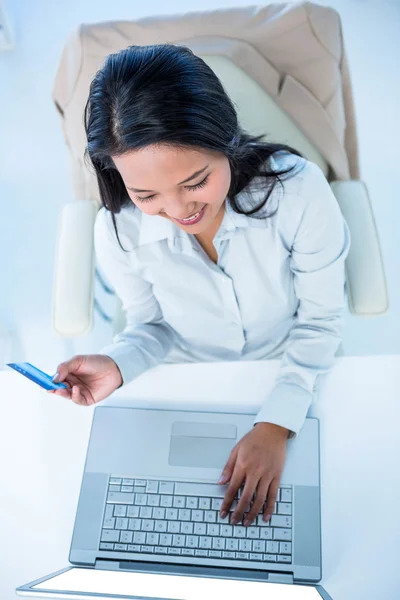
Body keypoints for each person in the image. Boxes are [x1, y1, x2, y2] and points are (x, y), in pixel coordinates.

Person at [50, 44, 350, 528]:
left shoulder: (298, 193)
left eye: (195, 181)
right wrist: (119, 363)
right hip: (190, 381)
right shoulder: (118, 230)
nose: (178, 210)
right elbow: (152, 325)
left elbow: (319, 322)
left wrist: (276, 423)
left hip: (293, 368)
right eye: (146, 194)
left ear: (225, 139)